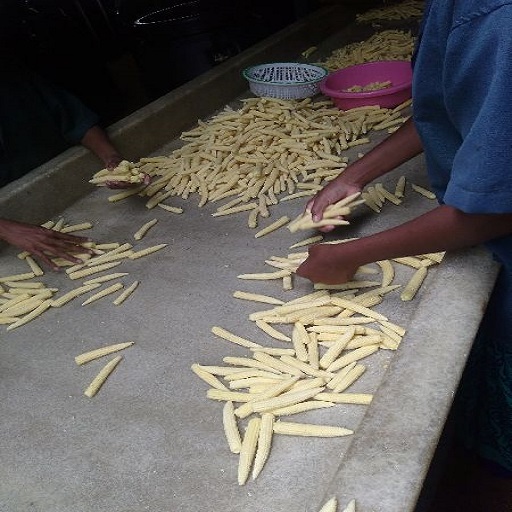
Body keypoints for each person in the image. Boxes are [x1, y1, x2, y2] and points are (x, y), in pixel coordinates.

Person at [296, 0, 512, 484]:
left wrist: (347, 256)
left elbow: (496, 208)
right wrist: (356, 175)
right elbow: (449, 107)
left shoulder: (501, 22)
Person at [0, 55, 141, 270]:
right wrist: (6, 228)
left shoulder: (13, 78)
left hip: (60, 190)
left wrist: (113, 160)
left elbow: (75, 119)